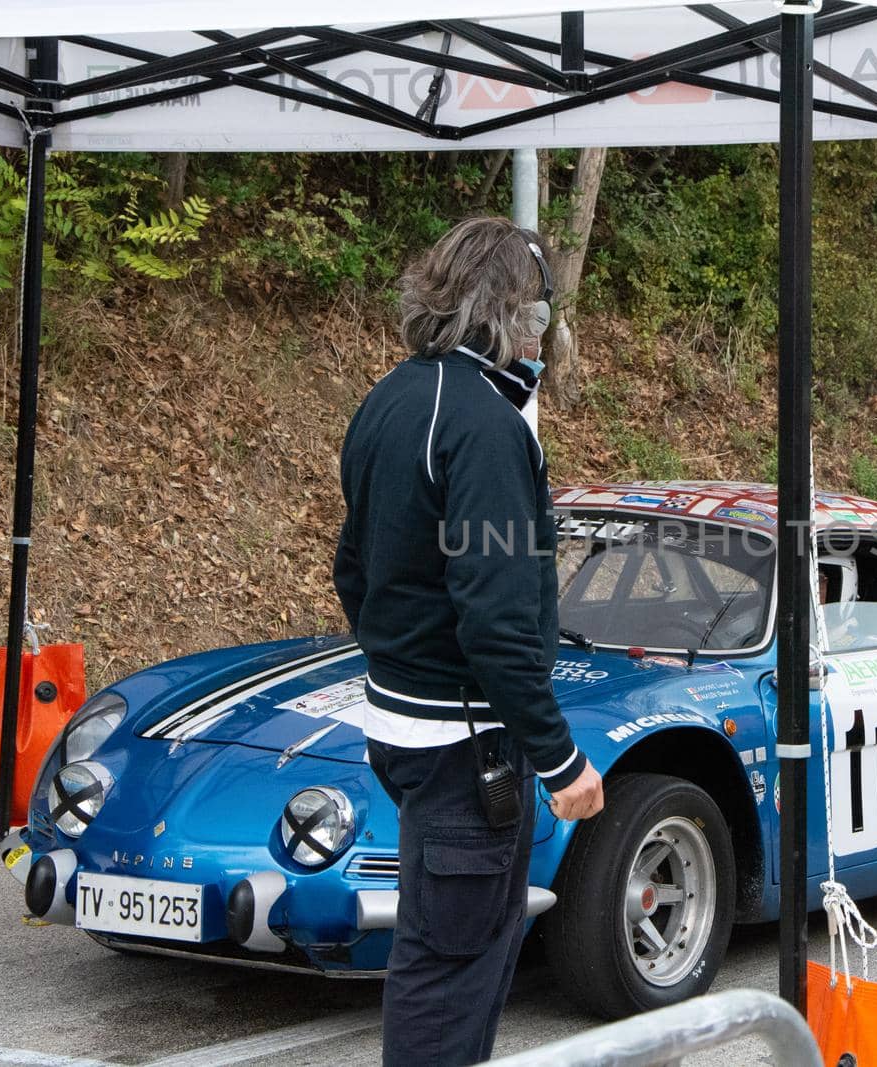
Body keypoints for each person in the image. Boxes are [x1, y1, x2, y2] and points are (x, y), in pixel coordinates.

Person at [333, 216, 604, 1067]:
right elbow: (496, 619)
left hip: (408, 726)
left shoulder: (390, 396)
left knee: (446, 949)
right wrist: (561, 760)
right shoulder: (484, 425)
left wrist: (400, 660)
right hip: (463, 743)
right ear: (508, 313)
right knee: (453, 965)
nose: (543, 334)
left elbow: (353, 567)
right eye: (537, 313)